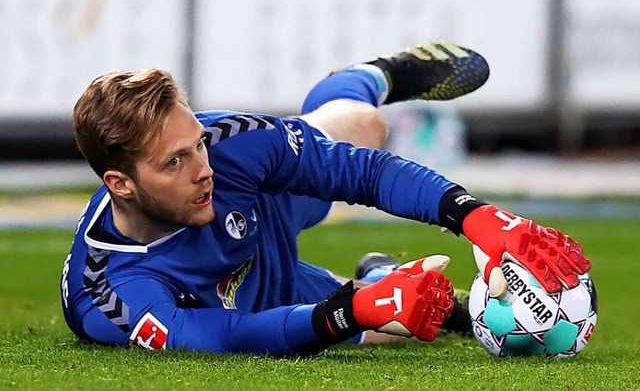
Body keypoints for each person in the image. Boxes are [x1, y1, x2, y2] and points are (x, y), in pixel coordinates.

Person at [60, 42, 591, 356]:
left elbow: (356, 173)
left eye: (196, 141)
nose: (202, 169)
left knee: (364, 128)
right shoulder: (108, 294)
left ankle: (369, 77)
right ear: (120, 183)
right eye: (174, 161)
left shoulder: (226, 152)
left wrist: (477, 218)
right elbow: (223, 336)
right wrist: (359, 308)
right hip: (255, 297)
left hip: (262, 205)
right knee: (391, 327)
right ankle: (384, 278)